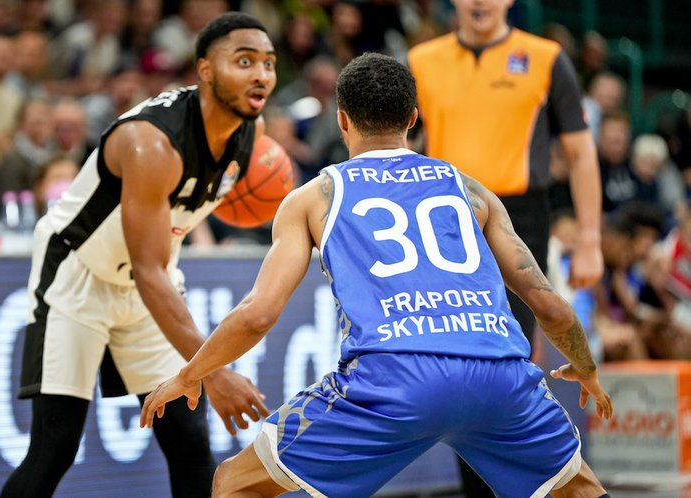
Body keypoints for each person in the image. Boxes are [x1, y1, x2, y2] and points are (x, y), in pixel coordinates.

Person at [140, 53, 613, 498]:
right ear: (413, 119)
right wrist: (586, 369)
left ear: (342, 120)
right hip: (499, 376)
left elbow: (258, 314)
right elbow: (548, 304)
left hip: (392, 379)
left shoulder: (315, 197)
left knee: (236, 482)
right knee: (579, 488)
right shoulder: (470, 189)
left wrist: (190, 374)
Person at [1, 12, 277, 498]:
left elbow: (156, 261)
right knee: (55, 446)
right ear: (205, 70)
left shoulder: (249, 134)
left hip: (150, 280)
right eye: (244, 61)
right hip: (78, 274)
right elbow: (149, 271)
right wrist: (213, 372)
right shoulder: (151, 142)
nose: (260, 75)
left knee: (188, 437)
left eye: (269, 64)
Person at [407, 4, 604, 493]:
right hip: (442, 215)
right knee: (458, 361)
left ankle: (529, 481)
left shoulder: (545, 58)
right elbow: (395, 145)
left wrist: (590, 239)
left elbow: (580, 153)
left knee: (503, 360)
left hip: (520, 217)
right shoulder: (421, 61)